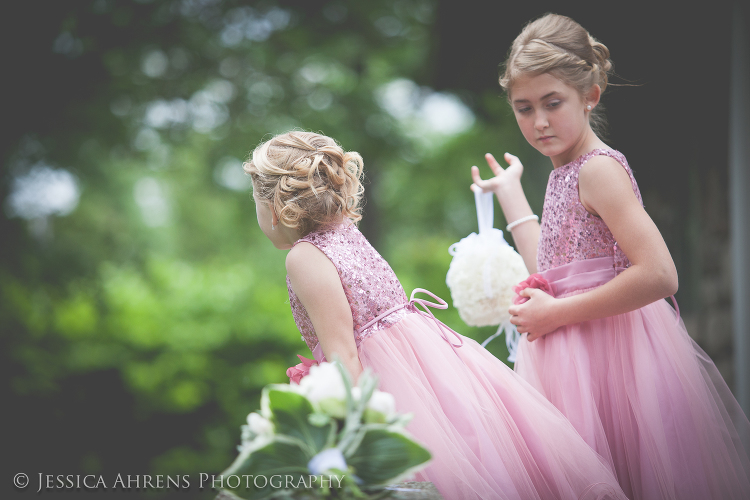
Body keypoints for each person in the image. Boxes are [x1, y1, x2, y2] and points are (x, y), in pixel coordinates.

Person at [245, 130, 628, 500]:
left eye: (256, 203)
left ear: (276, 208)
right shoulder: (344, 231)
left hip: (386, 385)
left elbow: (343, 353)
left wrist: (357, 444)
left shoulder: (303, 256)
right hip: (427, 365)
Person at [471, 13, 750, 500]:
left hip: (614, 357)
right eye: (524, 107)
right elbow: (552, 268)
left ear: (591, 95)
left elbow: (660, 275)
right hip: (573, 356)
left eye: (552, 103)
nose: (538, 121)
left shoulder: (598, 169)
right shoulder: (564, 172)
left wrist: (555, 312)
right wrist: (511, 193)